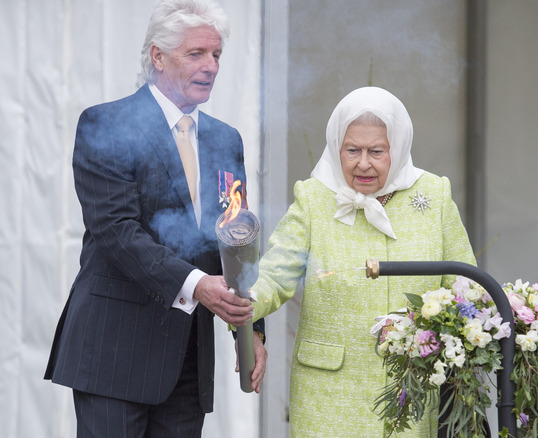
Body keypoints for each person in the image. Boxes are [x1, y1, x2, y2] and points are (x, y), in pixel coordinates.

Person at [44, 0, 266, 436]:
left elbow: (236, 240)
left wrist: (252, 331)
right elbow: (117, 231)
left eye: (217, 54)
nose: (211, 66)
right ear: (158, 57)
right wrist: (198, 285)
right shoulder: (104, 124)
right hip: (114, 352)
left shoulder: (226, 140)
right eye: (196, 54)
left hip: (187, 358)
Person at [247, 86, 476, 437]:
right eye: (352, 150)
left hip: (410, 392)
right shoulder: (314, 197)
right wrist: (241, 305)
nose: (363, 163)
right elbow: (275, 274)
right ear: (336, 146)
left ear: (397, 148)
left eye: (377, 151)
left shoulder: (433, 194)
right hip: (327, 397)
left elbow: (467, 289)